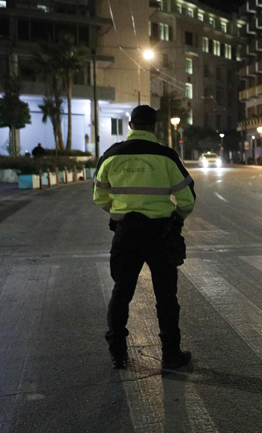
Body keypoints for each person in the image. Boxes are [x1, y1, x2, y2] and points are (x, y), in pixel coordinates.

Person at [93, 105, 196, 370]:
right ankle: (171, 354)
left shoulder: (111, 155)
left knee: (121, 292)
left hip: (125, 234)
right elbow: (187, 198)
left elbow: (99, 197)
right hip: (160, 234)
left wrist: (119, 214)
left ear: (130, 126)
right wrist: (177, 219)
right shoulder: (165, 156)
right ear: (155, 127)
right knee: (166, 295)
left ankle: (118, 353)